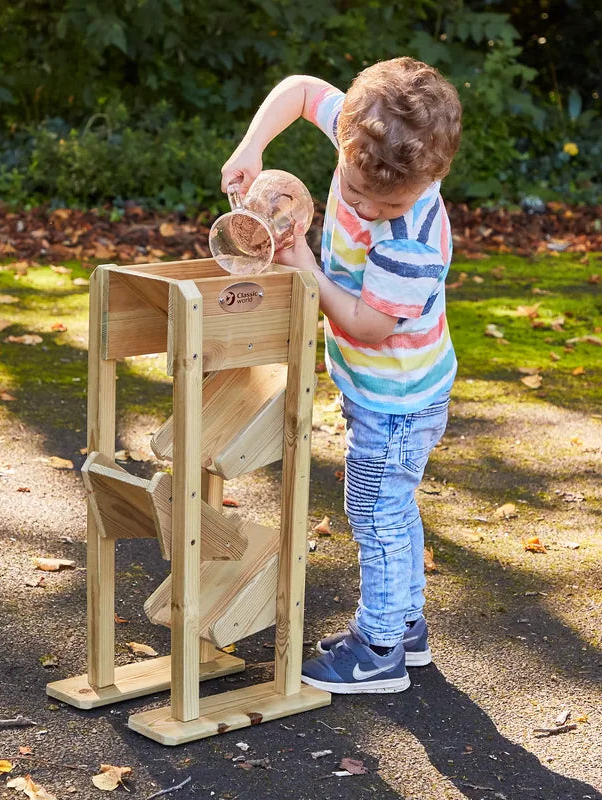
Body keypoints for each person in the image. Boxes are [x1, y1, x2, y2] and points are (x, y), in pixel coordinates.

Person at [220, 57, 462, 694]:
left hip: (397, 396)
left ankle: (378, 647)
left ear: (430, 176)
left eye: (387, 202)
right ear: (348, 142)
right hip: (387, 388)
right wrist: (252, 147)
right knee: (393, 506)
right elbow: (300, 91)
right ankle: (403, 625)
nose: (366, 207)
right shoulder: (370, 133)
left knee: (374, 510)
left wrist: (303, 261)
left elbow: (364, 324)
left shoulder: (411, 238)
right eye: (354, 191)